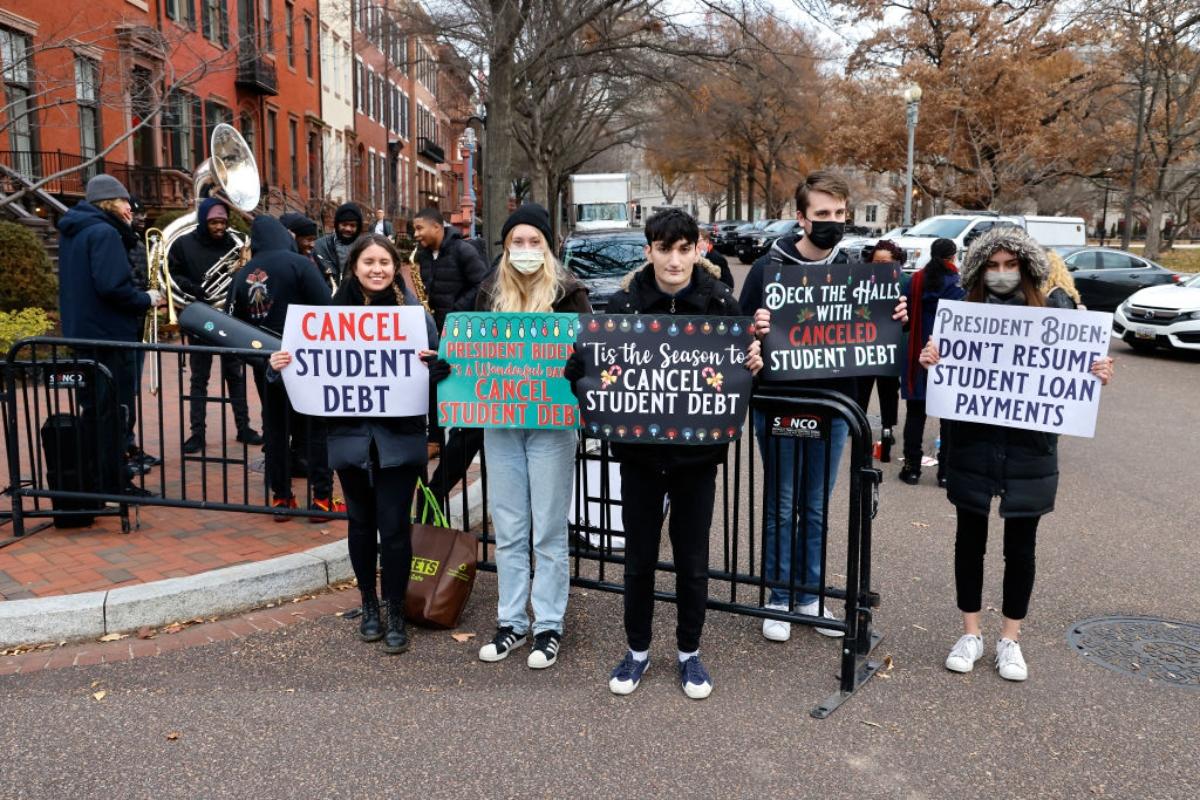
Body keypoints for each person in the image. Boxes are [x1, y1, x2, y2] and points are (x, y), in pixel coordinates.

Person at [918, 228, 1114, 682]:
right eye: (993, 265)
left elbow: (1078, 372)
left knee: (1020, 548)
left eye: (1011, 266)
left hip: (1030, 451)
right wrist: (933, 359)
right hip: (973, 443)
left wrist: (1098, 370)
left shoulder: (1056, 312)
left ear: (1026, 269)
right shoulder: (963, 314)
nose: (1002, 275)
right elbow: (945, 371)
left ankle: (1011, 639)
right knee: (969, 539)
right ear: (978, 270)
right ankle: (971, 633)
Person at [585, 208, 763, 700]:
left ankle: (689, 652)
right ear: (649, 251)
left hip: (695, 459)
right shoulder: (623, 304)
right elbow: (589, 372)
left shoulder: (721, 304)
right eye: (664, 249)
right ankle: (637, 649)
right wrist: (586, 367)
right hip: (639, 455)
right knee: (639, 559)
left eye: (684, 249)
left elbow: (741, 379)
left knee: (692, 559)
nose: (674, 259)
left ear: (699, 249)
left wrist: (753, 363)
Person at [740, 170, 907, 642]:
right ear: (801, 218)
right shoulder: (767, 269)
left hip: (835, 410)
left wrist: (897, 319)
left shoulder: (860, 272)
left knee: (814, 507)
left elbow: (882, 338)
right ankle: (777, 595)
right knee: (780, 504)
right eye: (822, 214)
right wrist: (754, 329)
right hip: (777, 406)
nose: (831, 222)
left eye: (838, 214)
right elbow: (736, 333)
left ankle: (810, 595)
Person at [269, 234, 442, 654]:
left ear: (395, 266)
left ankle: (395, 609)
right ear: (354, 267)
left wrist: (437, 369)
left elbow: (439, 375)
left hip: (398, 440)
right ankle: (369, 605)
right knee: (361, 525)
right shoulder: (326, 317)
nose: (377, 269)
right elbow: (303, 373)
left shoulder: (415, 318)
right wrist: (277, 368)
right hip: (350, 439)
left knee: (395, 528)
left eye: (385, 261)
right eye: (369, 262)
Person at [466, 204, 592, 670]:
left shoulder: (570, 292)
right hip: (501, 423)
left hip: (552, 426)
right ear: (504, 248)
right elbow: (467, 353)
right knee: (511, 526)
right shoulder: (488, 293)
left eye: (533, 242)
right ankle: (511, 621)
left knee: (549, 528)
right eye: (516, 242)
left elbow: (588, 355)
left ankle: (549, 625)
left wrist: (579, 368)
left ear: (548, 246)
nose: (524, 250)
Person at [227, 216, 342, 518]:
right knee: (317, 428)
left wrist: (261, 358)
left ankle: (281, 498)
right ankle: (321, 499)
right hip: (304, 360)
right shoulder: (299, 264)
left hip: (266, 364)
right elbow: (327, 311)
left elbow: (233, 326)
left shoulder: (241, 275)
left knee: (276, 430)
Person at [57, 174, 164, 496]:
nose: (130, 208)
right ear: (110, 202)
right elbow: (112, 286)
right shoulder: (104, 232)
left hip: (84, 335)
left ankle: (95, 481)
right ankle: (114, 483)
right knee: (114, 413)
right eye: (124, 201)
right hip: (109, 337)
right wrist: (147, 298)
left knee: (94, 412)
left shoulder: (75, 231)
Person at [169, 198, 261, 454]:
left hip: (230, 318)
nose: (220, 226)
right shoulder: (183, 244)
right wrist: (192, 288)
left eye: (222, 221)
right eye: (214, 222)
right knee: (200, 378)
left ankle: (244, 427)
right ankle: (197, 434)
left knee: (235, 375)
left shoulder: (235, 243)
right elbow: (173, 274)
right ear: (203, 221)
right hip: (200, 318)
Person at [898, 237, 965, 486]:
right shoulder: (957, 282)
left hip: (918, 351)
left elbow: (903, 312)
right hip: (948, 353)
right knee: (948, 416)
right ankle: (946, 472)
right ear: (953, 257)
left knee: (916, 413)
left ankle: (911, 468)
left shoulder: (916, 280)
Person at [855, 239, 905, 463]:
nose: (881, 265)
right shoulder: (861, 280)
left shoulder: (904, 282)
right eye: (877, 262)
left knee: (888, 391)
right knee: (862, 388)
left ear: (895, 262)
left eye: (886, 262)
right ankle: (857, 426)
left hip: (889, 347)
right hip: (864, 346)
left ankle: (887, 428)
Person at [125, 197, 161, 474]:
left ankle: (130, 444)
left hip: (137, 326)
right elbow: (133, 283)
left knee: (130, 390)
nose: (140, 218)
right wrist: (147, 298)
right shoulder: (129, 245)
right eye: (136, 213)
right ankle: (126, 447)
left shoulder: (139, 243)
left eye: (143, 213)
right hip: (130, 324)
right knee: (126, 392)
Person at [412, 206, 491, 331]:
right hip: (434, 327)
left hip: (461, 327)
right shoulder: (422, 255)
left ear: (436, 227)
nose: (416, 234)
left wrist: (456, 310)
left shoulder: (463, 250)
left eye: (419, 228)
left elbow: (482, 284)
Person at [313, 202, 364, 287]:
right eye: (344, 224)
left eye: (352, 225)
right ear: (336, 224)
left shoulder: (365, 248)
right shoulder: (319, 247)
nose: (348, 228)